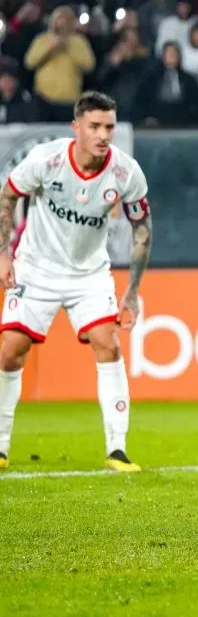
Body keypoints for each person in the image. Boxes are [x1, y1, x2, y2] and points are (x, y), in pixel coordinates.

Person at [0, 91, 152, 472]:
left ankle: (117, 449)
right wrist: (3, 253)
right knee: (10, 350)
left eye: (110, 127)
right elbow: (8, 196)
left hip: (88, 274)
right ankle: (0, 447)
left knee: (108, 344)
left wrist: (132, 293)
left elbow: (142, 232)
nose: (103, 135)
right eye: (95, 127)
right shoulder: (46, 160)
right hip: (36, 268)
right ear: (77, 127)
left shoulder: (126, 172)